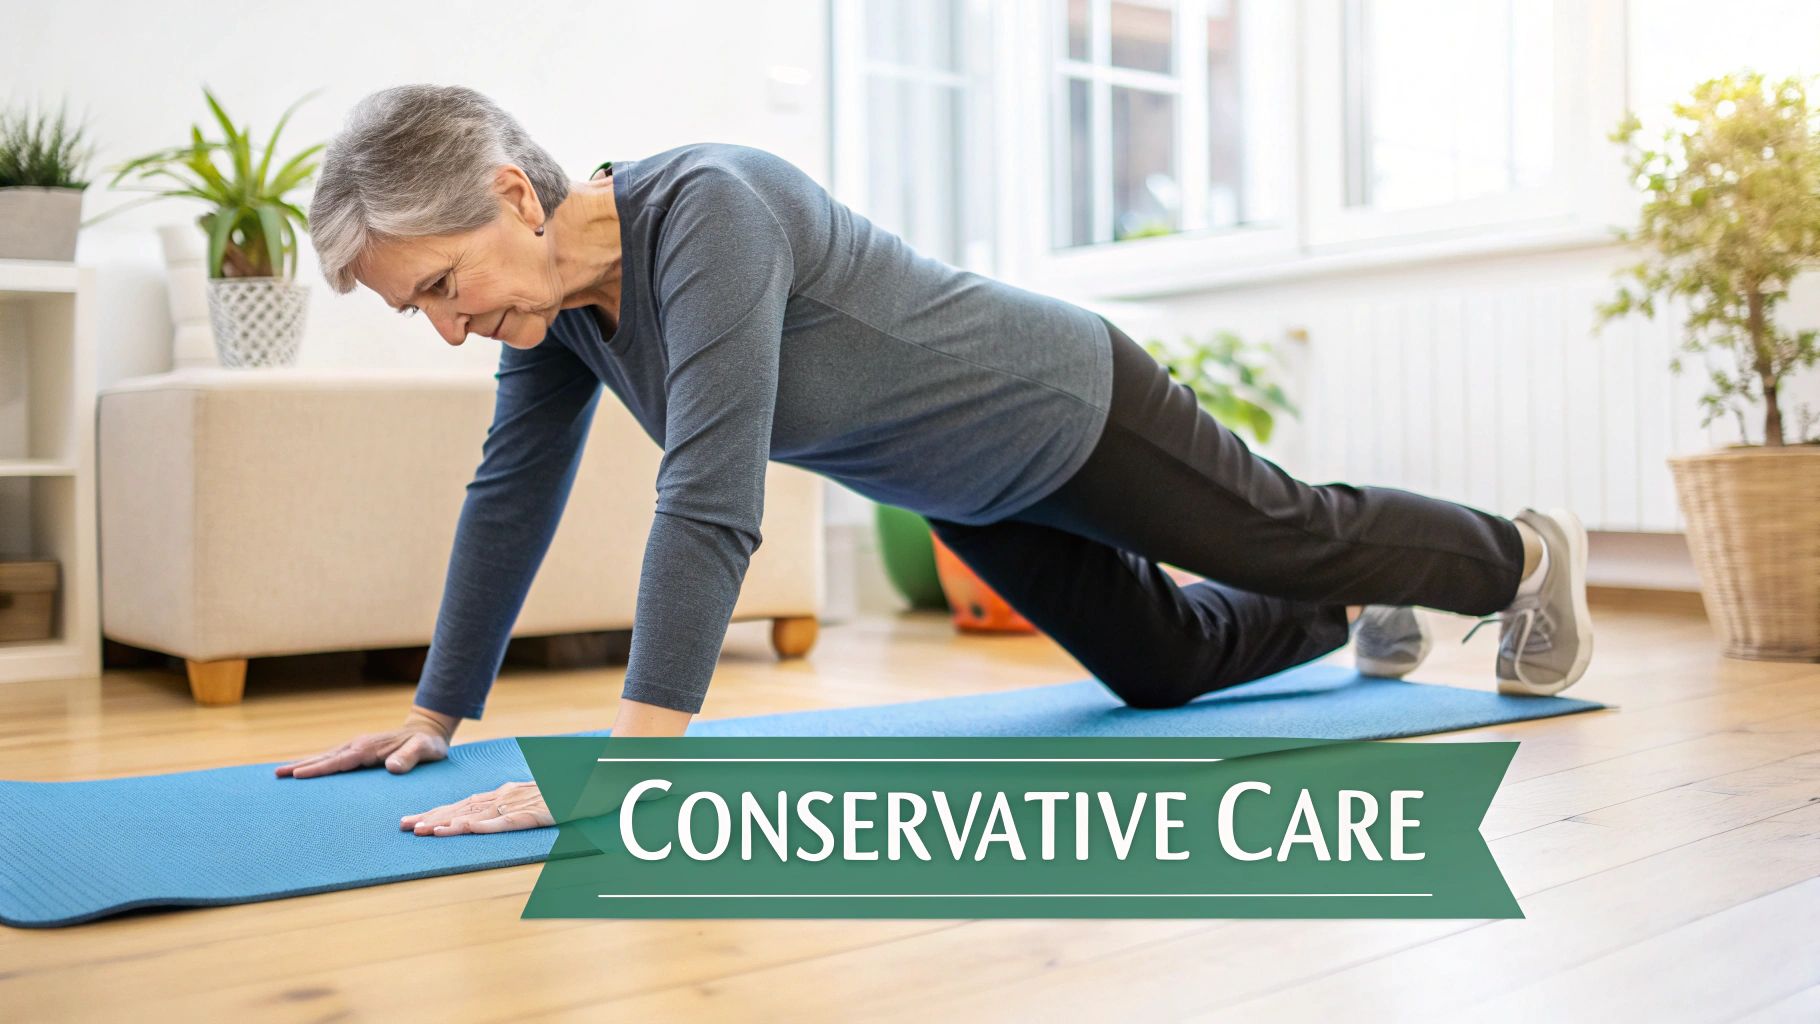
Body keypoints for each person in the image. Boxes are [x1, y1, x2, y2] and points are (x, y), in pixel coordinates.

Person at [275, 84, 1592, 837]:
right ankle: (1362, 605)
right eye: (422, 312)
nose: (452, 328)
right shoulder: (556, 321)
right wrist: (439, 712)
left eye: (442, 285)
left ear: (511, 194)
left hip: (1066, 401)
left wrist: (631, 767)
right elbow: (509, 493)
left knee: (1281, 528)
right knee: (1161, 667)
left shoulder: (706, 208)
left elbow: (713, 497)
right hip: (969, 491)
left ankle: (1527, 555)